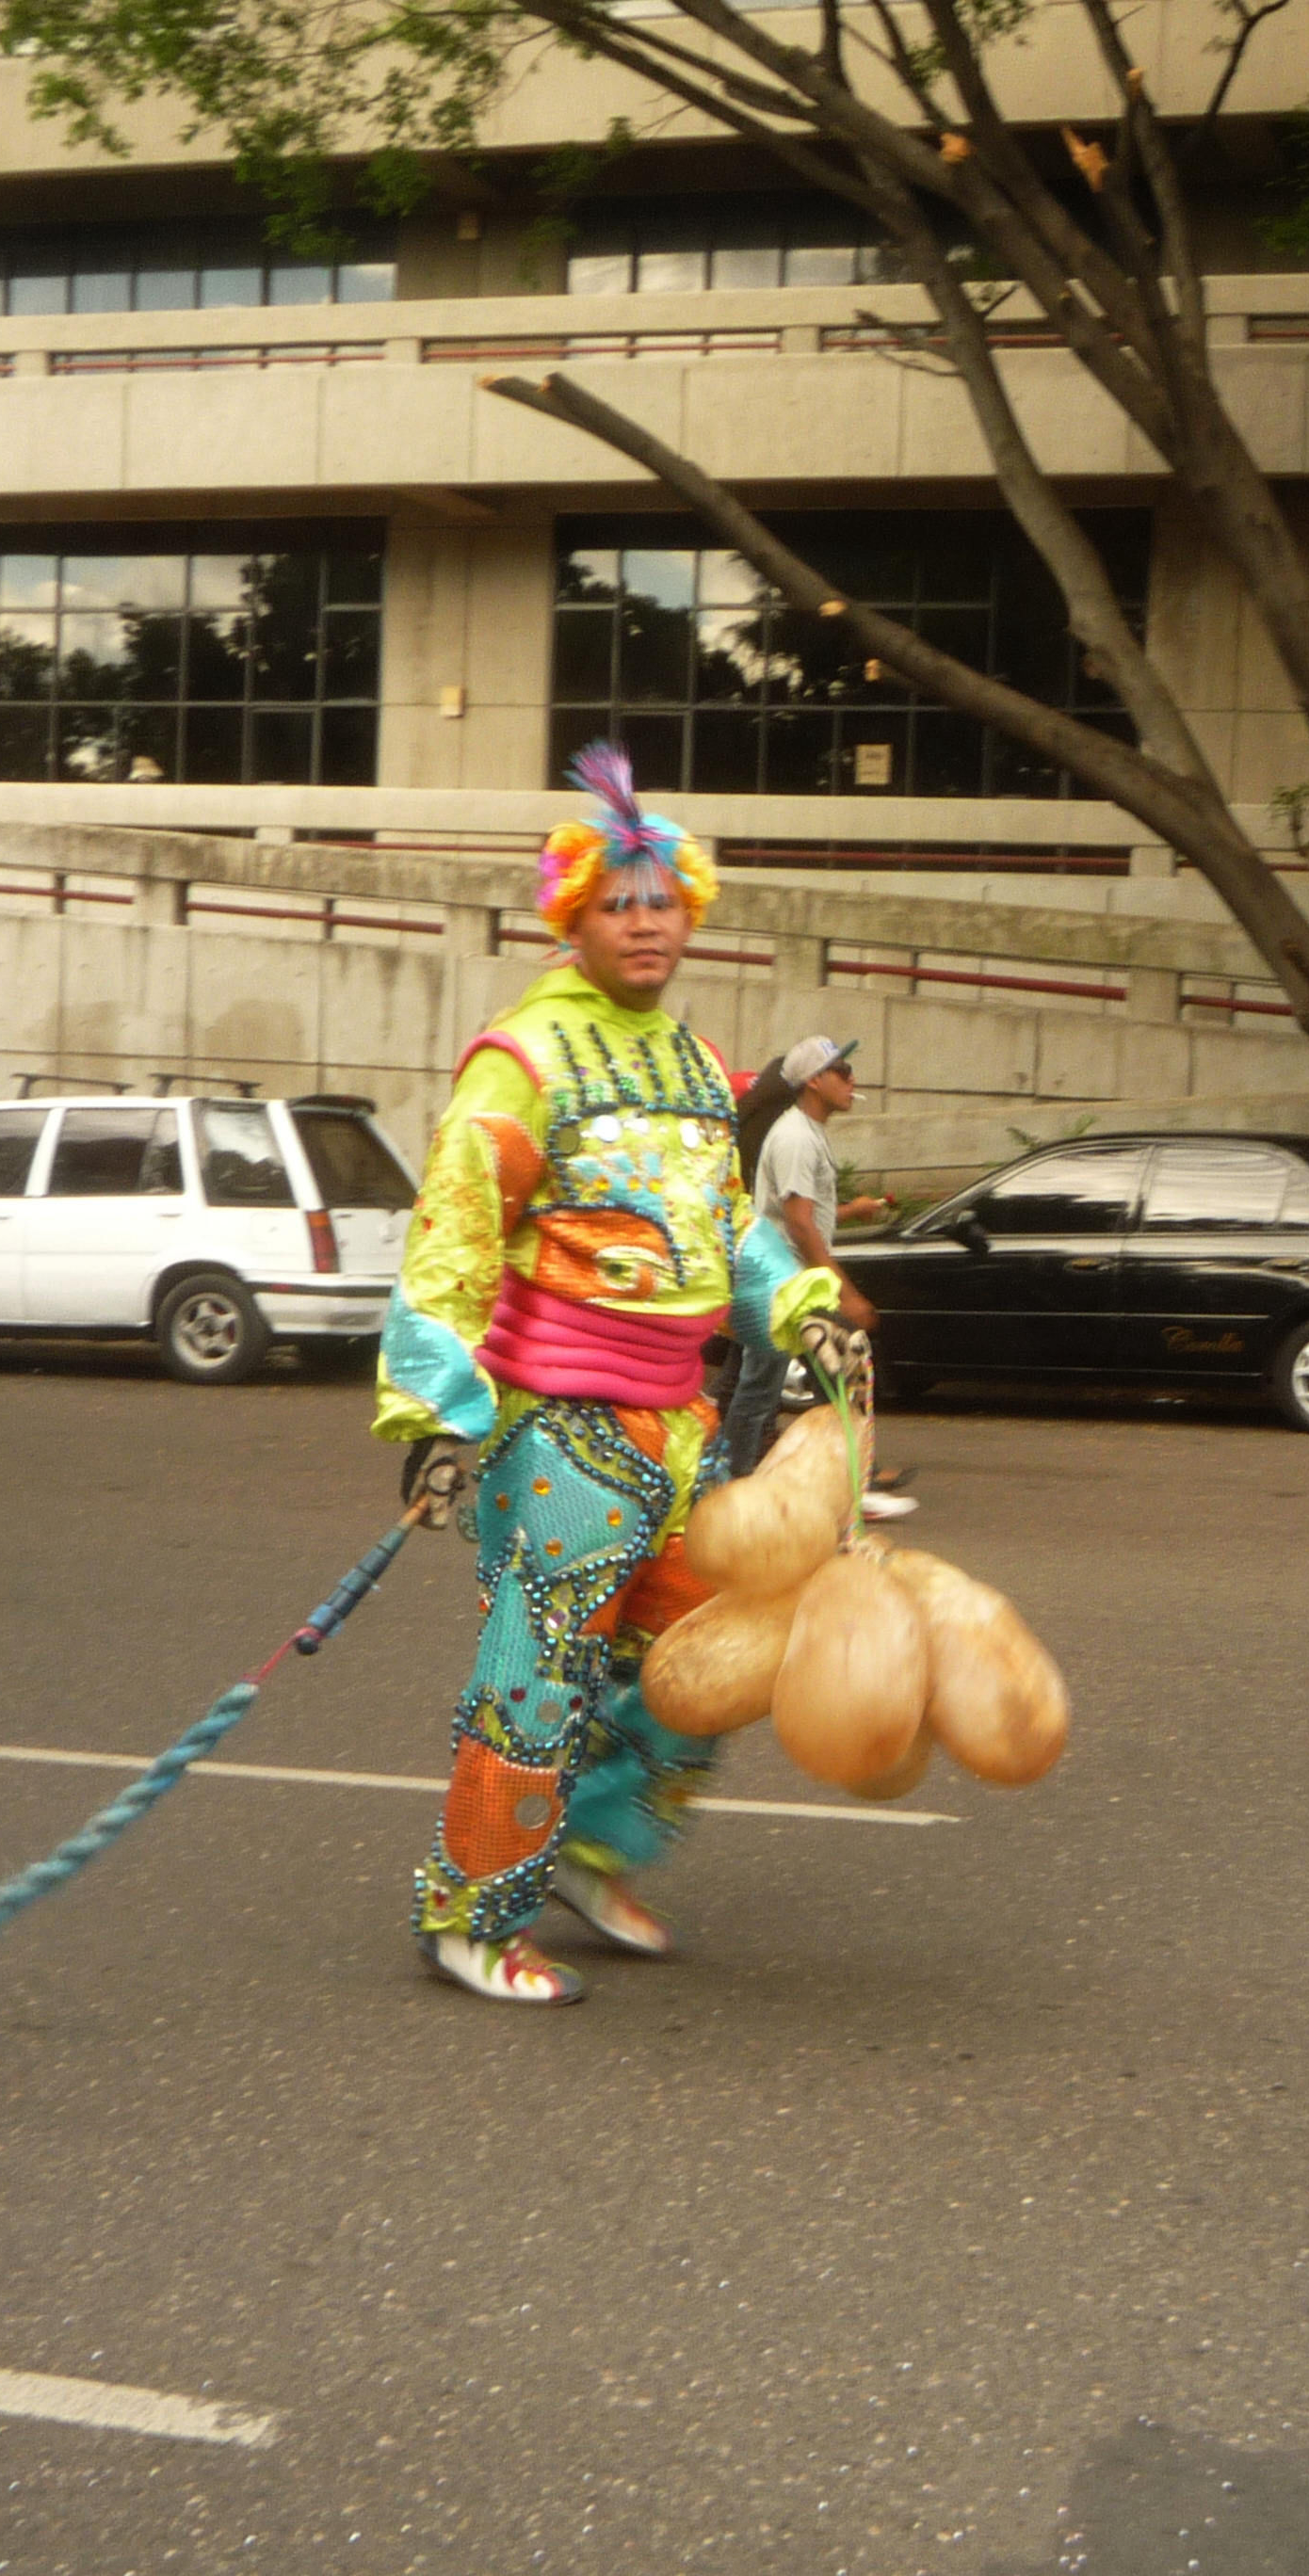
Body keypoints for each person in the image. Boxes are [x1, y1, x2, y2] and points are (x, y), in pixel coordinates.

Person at [375, 743, 842, 2008]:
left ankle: (589, 1847)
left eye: (664, 899)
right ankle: (471, 1920)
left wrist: (799, 1305)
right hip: (557, 1429)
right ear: (573, 914)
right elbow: (451, 1241)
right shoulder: (522, 1061)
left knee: (726, 1638)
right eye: (619, 902)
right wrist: (439, 1416)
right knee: (539, 1676)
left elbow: (728, 1235)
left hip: (679, 1421)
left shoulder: (695, 1066)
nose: (646, 922)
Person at [724, 1035, 906, 1512]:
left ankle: (841, 1482)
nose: (852, 1081)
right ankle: (733, 1490)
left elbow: (806, 1213)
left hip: (793, 1276)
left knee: (822, 1383)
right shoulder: (795, 1138)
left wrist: (849, 1211)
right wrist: (847, 1293)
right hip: (780, 1281)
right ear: (814, 1081)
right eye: (842, 1072)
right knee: (765, 1388)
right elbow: (800, 1225)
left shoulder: (806, 1133)